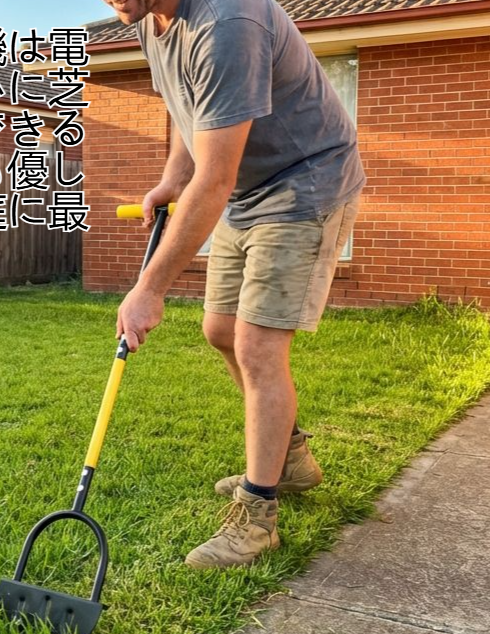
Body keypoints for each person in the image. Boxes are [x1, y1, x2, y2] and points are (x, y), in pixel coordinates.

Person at [101, 0, 365, 568]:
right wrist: (174, 178)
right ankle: (291, 459)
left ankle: (257, 517)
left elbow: (215, 178)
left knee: (257, 345)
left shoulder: (227, 23)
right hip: (248, 192)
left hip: (306, 181)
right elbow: (187, 109)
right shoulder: (150, 22)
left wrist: (149, 288)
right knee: (221, 329)